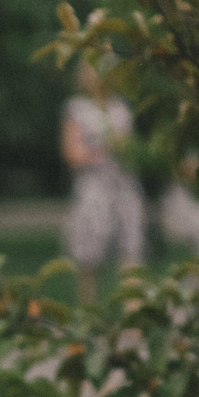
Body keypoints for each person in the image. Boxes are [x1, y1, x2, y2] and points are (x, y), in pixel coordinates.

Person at [61, 61, 145, 302]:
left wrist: (128, 150)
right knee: (89, 256)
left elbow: (133, 148)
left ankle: (134, 316)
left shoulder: (121, 108)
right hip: (93, 188)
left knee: (131, 251)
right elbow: (71, 154)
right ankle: (89, 311)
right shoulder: (76, 108)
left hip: (124, 185)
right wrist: (105, 149)